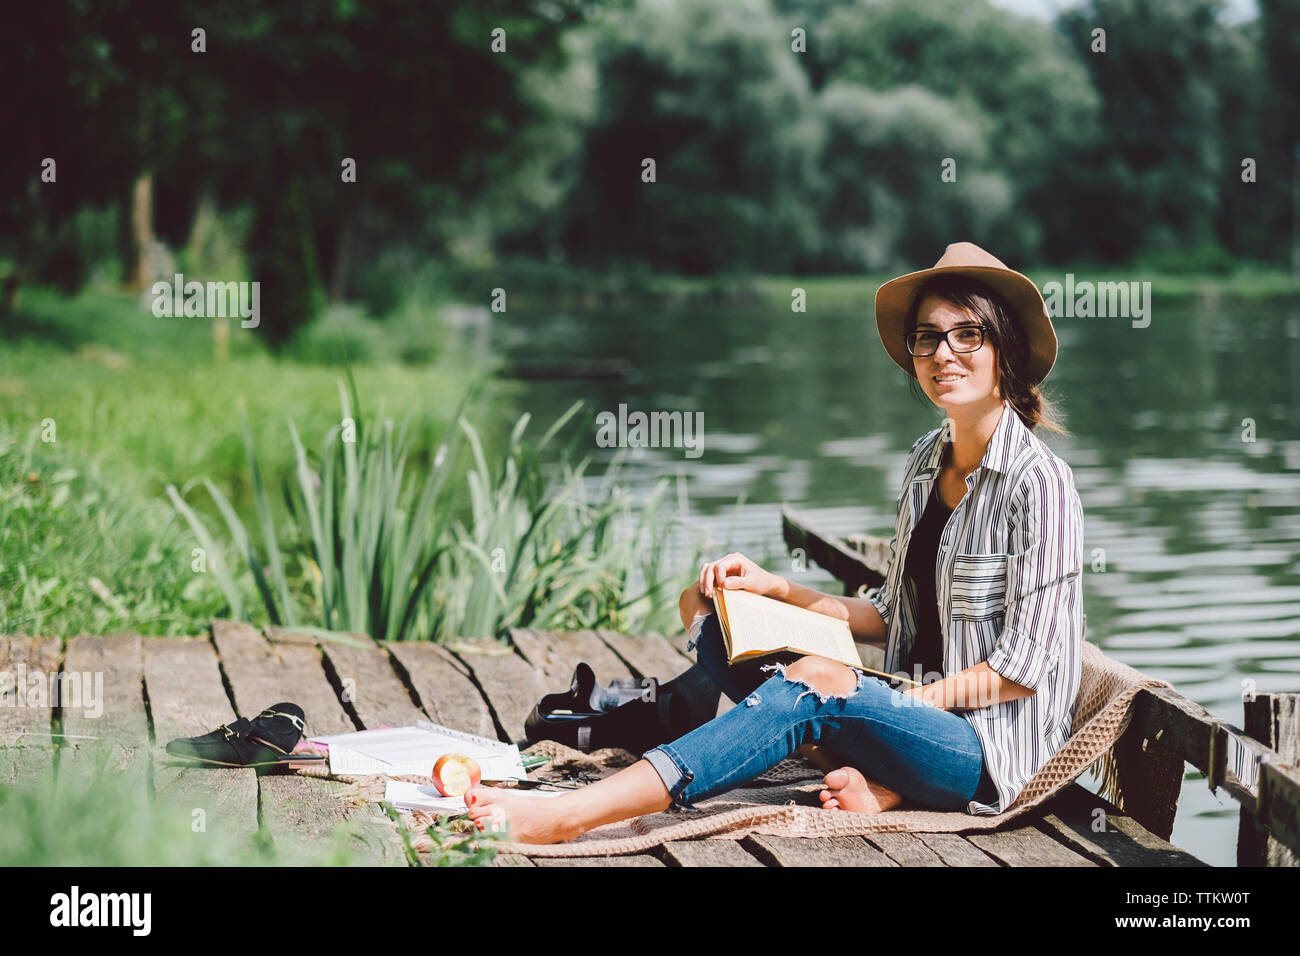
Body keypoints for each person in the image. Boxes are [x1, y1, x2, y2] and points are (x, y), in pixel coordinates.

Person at [465, 242, 1086, 844]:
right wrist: (774, 589)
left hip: (983, 752)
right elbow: (890, 614)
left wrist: (896, 703)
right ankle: (870, 766)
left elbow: (1020, 673)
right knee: (709, 611)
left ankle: (572, 814)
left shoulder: (1042, 486)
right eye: (928, 336)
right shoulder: (926, 462)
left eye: (967, 334)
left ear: (1002, 345)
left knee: (822, 681)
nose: (944, 352)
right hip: (905, 716)